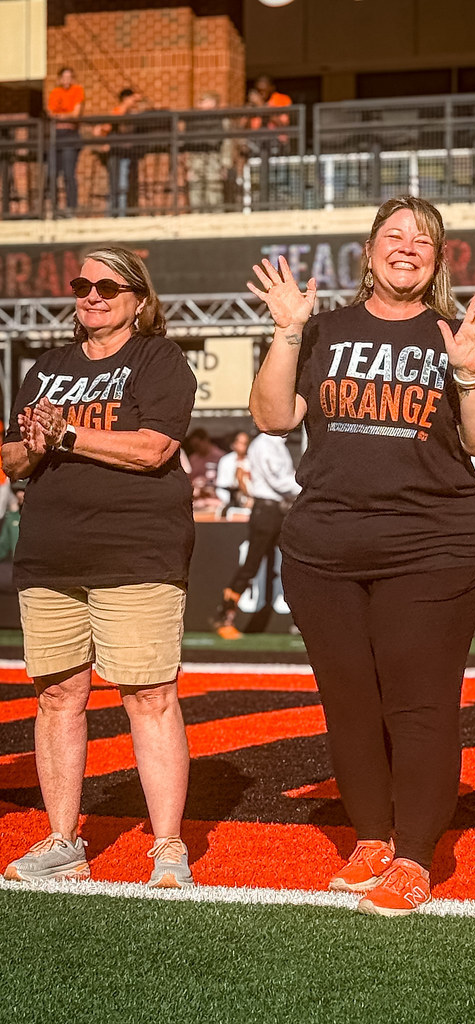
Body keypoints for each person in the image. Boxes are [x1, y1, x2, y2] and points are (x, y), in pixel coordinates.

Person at [247, 195, 475, 916]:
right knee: (350, 705)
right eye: (393, 235)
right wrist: (286, 331)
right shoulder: (322, 329)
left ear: (438, 258)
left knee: (417, 704)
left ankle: (416, 859)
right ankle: (370, 837)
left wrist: (468, 374)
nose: (407, 246)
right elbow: (272, 417)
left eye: (422, 239)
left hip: (434, 545)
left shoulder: (457, 335)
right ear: (367, 252)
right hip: (324, 546)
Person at [1, 246, 198, 888]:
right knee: (57, 696)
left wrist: (65, 436)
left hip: (136, 551)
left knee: (148, 694)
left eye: (108, 286)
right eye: (82, 284)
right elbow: (13, 460)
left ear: (137, 300)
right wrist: (30, 445)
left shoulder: (158, 359)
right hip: (51, 554)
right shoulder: (45, 367)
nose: (92, 294)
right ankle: (63, 840)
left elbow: (154, 448)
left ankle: (168, 847)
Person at [213, 431, 300, 640]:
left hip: (280, 509)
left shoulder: (278, 444)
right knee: (252, 565)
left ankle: (299, 619)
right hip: (266, 510)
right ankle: (224, 616)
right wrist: (307, 487)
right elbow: (278, 481)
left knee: (295, 563)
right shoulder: (264, 445)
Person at [93, 88, 142, 216]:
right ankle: (114, 213)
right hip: (115, 152)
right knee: (115, 184)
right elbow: (103, 128)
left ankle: (120, 212)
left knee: (122, 184)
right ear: (125, 99)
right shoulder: (118, 111)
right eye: (131, 99)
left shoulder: (133, 114)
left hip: (126, 153)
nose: (134, 102)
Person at [46, 67, 85, 214]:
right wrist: (64, 116)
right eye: (64, 77)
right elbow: (51, 113)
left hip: (71, 135)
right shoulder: (55, 93)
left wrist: (61, 116)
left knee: (69, 173)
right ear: (60, 79)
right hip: (56, 135)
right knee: (52, 172)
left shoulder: (77, 90)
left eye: (70, 77)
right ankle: (54, 208)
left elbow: (75, 114)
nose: (67, 80)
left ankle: (71, 208)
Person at [215, 429, 251, 510]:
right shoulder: (225, 461)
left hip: (250, 503)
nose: (244, 446)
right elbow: (221, 485)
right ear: (234, 444)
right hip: (229, 503)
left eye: (246, 443)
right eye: (241, 443)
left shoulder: (252, 460)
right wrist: (229, 501)